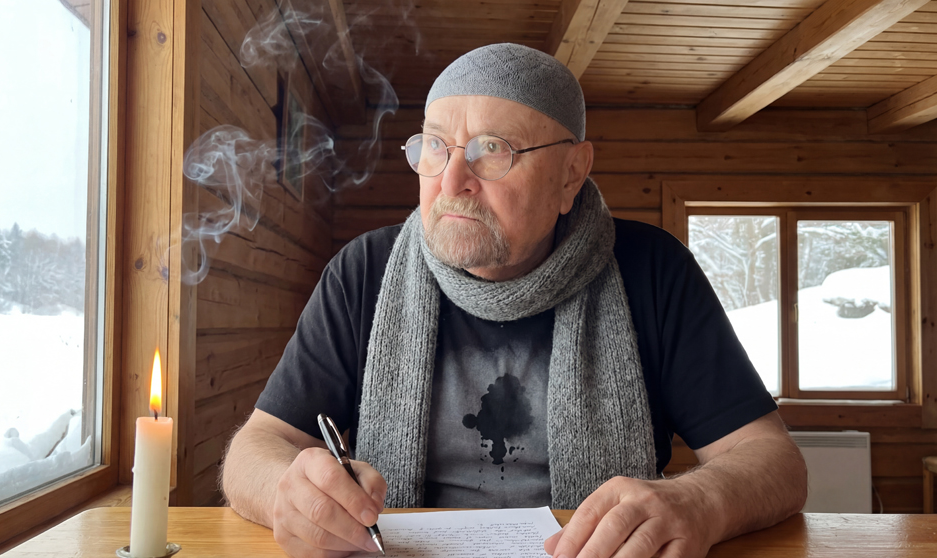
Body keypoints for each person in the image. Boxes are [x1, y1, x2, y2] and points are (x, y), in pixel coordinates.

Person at [222, 43, 807, 558]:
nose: (451, 181)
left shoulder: (653, 270)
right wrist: (289, 494)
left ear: (571, 174)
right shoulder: (364, 271)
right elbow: (257, 448)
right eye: (435, 146)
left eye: (492, 148)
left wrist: (699, 500)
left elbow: (772, 460)